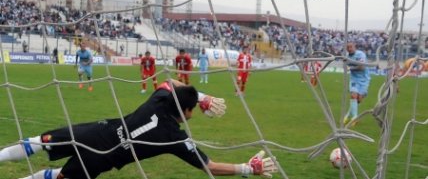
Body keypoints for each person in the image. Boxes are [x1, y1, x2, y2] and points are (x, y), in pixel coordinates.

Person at [0, 80, 278, 179]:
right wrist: (246, 168)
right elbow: (210, 166)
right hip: (104, 159)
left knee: (38, 141)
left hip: (96, 132)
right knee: (60, 176)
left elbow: (170, 83)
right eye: (195, 107)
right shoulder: (175, 138)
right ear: (188, 112)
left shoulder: (159, 99)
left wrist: (202, 96)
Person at [343, 42, 371, 126]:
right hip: (354, 79)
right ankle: (354, 118)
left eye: (351, 47)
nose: (349, 49)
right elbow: (346, 67)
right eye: (348, 47)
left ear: (354, 47)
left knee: (358, 100)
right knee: (353, 96)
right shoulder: (347, 57)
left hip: (364, 79)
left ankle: (348, 115)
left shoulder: (360, 54)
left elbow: (361, 67)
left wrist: (350, 68)